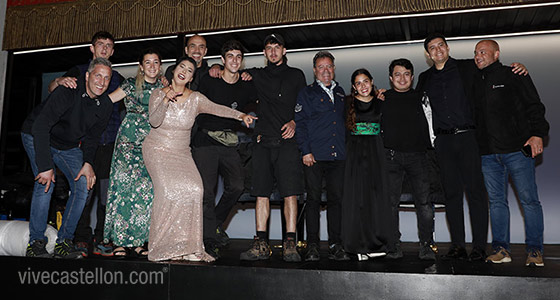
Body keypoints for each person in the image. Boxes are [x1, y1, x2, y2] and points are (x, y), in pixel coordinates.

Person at [416, 33, 527, 261]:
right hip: (443, 142)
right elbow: (414, 105)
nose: (437, 50)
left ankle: (478, 247)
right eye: (432, 48)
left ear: (447, 47)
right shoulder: (424, 78)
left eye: (441, 45)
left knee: (476, 194)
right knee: (452, 195)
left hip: (469, 138)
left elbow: (492, 72)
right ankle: (457, 245)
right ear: (428, 54)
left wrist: (517, 69)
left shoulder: (468, 68)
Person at [142, 56, 256, 262]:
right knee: (168, 192)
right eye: (181, 67)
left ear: (192, 77)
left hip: (181, 152)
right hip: (157, 150)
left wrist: (240, 116)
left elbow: (218, 109)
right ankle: (160, 246)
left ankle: (189, 246)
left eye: (189, 70)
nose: (184, 71)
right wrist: (166, 99)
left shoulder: (196, 99)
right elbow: (154, 120)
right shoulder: (158, 94)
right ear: (174, 70)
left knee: (196, 189)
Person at [21, 58, 114, 259]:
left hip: (67, 145)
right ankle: (36, 243)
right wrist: (45, 166)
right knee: (46, 184)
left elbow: (92, 138)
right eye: (98, 75)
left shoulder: (105, 104)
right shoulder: (68, 90)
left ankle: (64, 242)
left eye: (107, 78)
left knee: (83, 186)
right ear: (87, 76)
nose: (102, 82)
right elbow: (41, 126)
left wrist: (88, 163)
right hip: (37, 135)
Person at [471, 40, 549, 267]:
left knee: (530, 202)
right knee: (496, 203)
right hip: (487, 155)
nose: (478, 56)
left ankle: (535, 251)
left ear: (496, 54)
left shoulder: (514, 73)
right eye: (476, 53)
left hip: (517, 151)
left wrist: (537, 134)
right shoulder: (473, 80)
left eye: (483, 52)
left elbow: (534, 105)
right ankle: (501, 249)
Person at [47, 31, 124, 257]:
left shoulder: (117, 77)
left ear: (112, 51)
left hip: (109, 143)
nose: (104, 49)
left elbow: (140, 91)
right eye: (100, 44)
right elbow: (53, 88)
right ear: (92, 48)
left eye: (109, 46)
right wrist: (58, 81)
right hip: (82, 143)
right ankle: (81, 238)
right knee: (84, 193)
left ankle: (102, 238)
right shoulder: (79, 72)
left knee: (107, 195)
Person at [238, 34, 307, 262]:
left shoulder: (296, 75)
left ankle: (290, 243)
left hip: (288, 143)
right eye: (269, 48)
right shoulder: (256, 75)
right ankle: (261, 244)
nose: (273, 51)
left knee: (290, 194)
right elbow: (231, 74)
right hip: (262, 142)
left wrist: (295, 122)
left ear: (284, 51)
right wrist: (217, 68)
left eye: (277, 47)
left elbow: (304, 107)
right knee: (261, 193)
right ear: (265, 53)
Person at [192, 40, 258, 259]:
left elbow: (261, 99)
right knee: (207, 193)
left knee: (238, 185)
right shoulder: (210, 79)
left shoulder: (247, 84)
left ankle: (214, 224)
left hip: (228, 142)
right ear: (222, 60)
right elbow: (196, 106)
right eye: (230, 56)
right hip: (205, 140)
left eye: (238, 57)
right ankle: (208, 240)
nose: (234, 60)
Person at [103, 48, 165, 257]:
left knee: (146, 191)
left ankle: (140, 241)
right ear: (141, 66)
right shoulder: (130, 85)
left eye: (156, 62)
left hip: (152, 142)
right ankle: (119, 242)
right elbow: (106, 102)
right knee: (123, 189)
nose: (152, 66)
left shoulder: (165, 87)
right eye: (148, 62)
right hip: (128, 142)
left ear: (160, 65)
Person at [294, 51, 349, 261]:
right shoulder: (306, 93)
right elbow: (300, 124)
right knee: (313, 201)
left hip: (338, 157)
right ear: (315, 71)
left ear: (333, 69)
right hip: (314, 156)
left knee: (337, 201)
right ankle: (313, 245)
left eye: (329, 67)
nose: (326, 71)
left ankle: (336, 244)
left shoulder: (342, 92)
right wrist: (305, 151)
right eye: (321, 67)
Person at [380, 59, 435, 260]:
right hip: (390, 157)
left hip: (418, 157)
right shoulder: (383, 99)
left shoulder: (422, 97)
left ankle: (427, 244)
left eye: (406, 74)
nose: (402, 78)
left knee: (424, 203)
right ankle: (393, 245)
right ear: (390, 78)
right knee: (390, 204)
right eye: (397, 74)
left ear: (412, 77)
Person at [342, 68, 391, 261]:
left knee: (375, 201)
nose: (363, 86)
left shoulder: (381, 103)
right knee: (357, 201)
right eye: (358, 83)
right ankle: (357, 246)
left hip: (376, 155)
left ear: (372, 82)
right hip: (354, 156)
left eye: (366, 81)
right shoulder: (347, 104)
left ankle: (376, 243)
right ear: (354, 87)